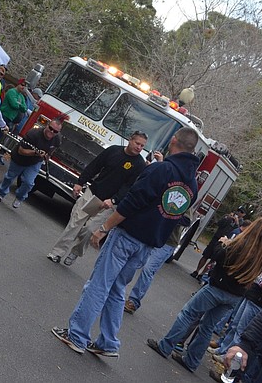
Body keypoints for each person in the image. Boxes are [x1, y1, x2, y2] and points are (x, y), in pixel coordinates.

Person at [51, 127, 200, 357]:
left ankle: (77, 334)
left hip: (128, 235)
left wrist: (104, 227)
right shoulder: (192, 184)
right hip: (148, 244)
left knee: (99, 283)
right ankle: (108, 342)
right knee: (118, 288)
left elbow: (131, 202)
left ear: (173, 141)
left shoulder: (162, 170)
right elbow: (175, 215)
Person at [148, 218, 262, 374]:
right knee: (208, 327)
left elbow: (218, 256)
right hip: (235, 296)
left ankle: (165, 347)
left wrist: (222, 243)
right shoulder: (260, 257)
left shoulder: (240, 245)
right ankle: (191, 361)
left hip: (217, 288)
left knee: (188, 314)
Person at [47, 131, 150, 265]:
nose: (139, 148)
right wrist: (80, 182)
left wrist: (113, 200)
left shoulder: (139, 165)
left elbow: (128, 187)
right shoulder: (113, 151)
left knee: (90, 230)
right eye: (137, 143)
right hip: (93, 193)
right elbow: (95, 165)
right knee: (75, 224)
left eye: (142, 146)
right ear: (130, 140)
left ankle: (75, 252)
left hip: (109, 203)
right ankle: (57, 253)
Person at [0, 116, 63, 209]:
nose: (52, 132)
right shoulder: (33, 134)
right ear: (47, 125)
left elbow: (52, 150)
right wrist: (35, 153)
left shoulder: (57, 139)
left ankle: (20, 197)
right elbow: (21, 151)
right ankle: (1, 193)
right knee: (9, 177)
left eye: (55, 131)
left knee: (29, 182)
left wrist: (47, 156)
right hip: (20, 158)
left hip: (35, 162)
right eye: (50, 128)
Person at [192, 210, 246, 279]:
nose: (238, 213)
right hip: (216, 238)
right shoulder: (228, 216)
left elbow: (237, 232)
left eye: (241, 212)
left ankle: (202, 274)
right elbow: (219, 223)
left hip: (224, 242)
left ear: (243, 214)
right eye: (238, 211)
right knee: (206, 255)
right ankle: (196, 271)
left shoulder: (241, 223)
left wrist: (236, 222)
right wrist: (227, 218)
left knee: (213, 259)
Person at [0, 79, 28, 165]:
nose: (23, 87)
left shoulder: (21, 97)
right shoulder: (11, 92)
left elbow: (24, 108)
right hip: (3, 115)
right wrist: (19, 105)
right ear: (18, 84)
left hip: (11, 119)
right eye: (22, 85)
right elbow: (14, 105)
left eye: (25, 86)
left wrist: (19, 104)